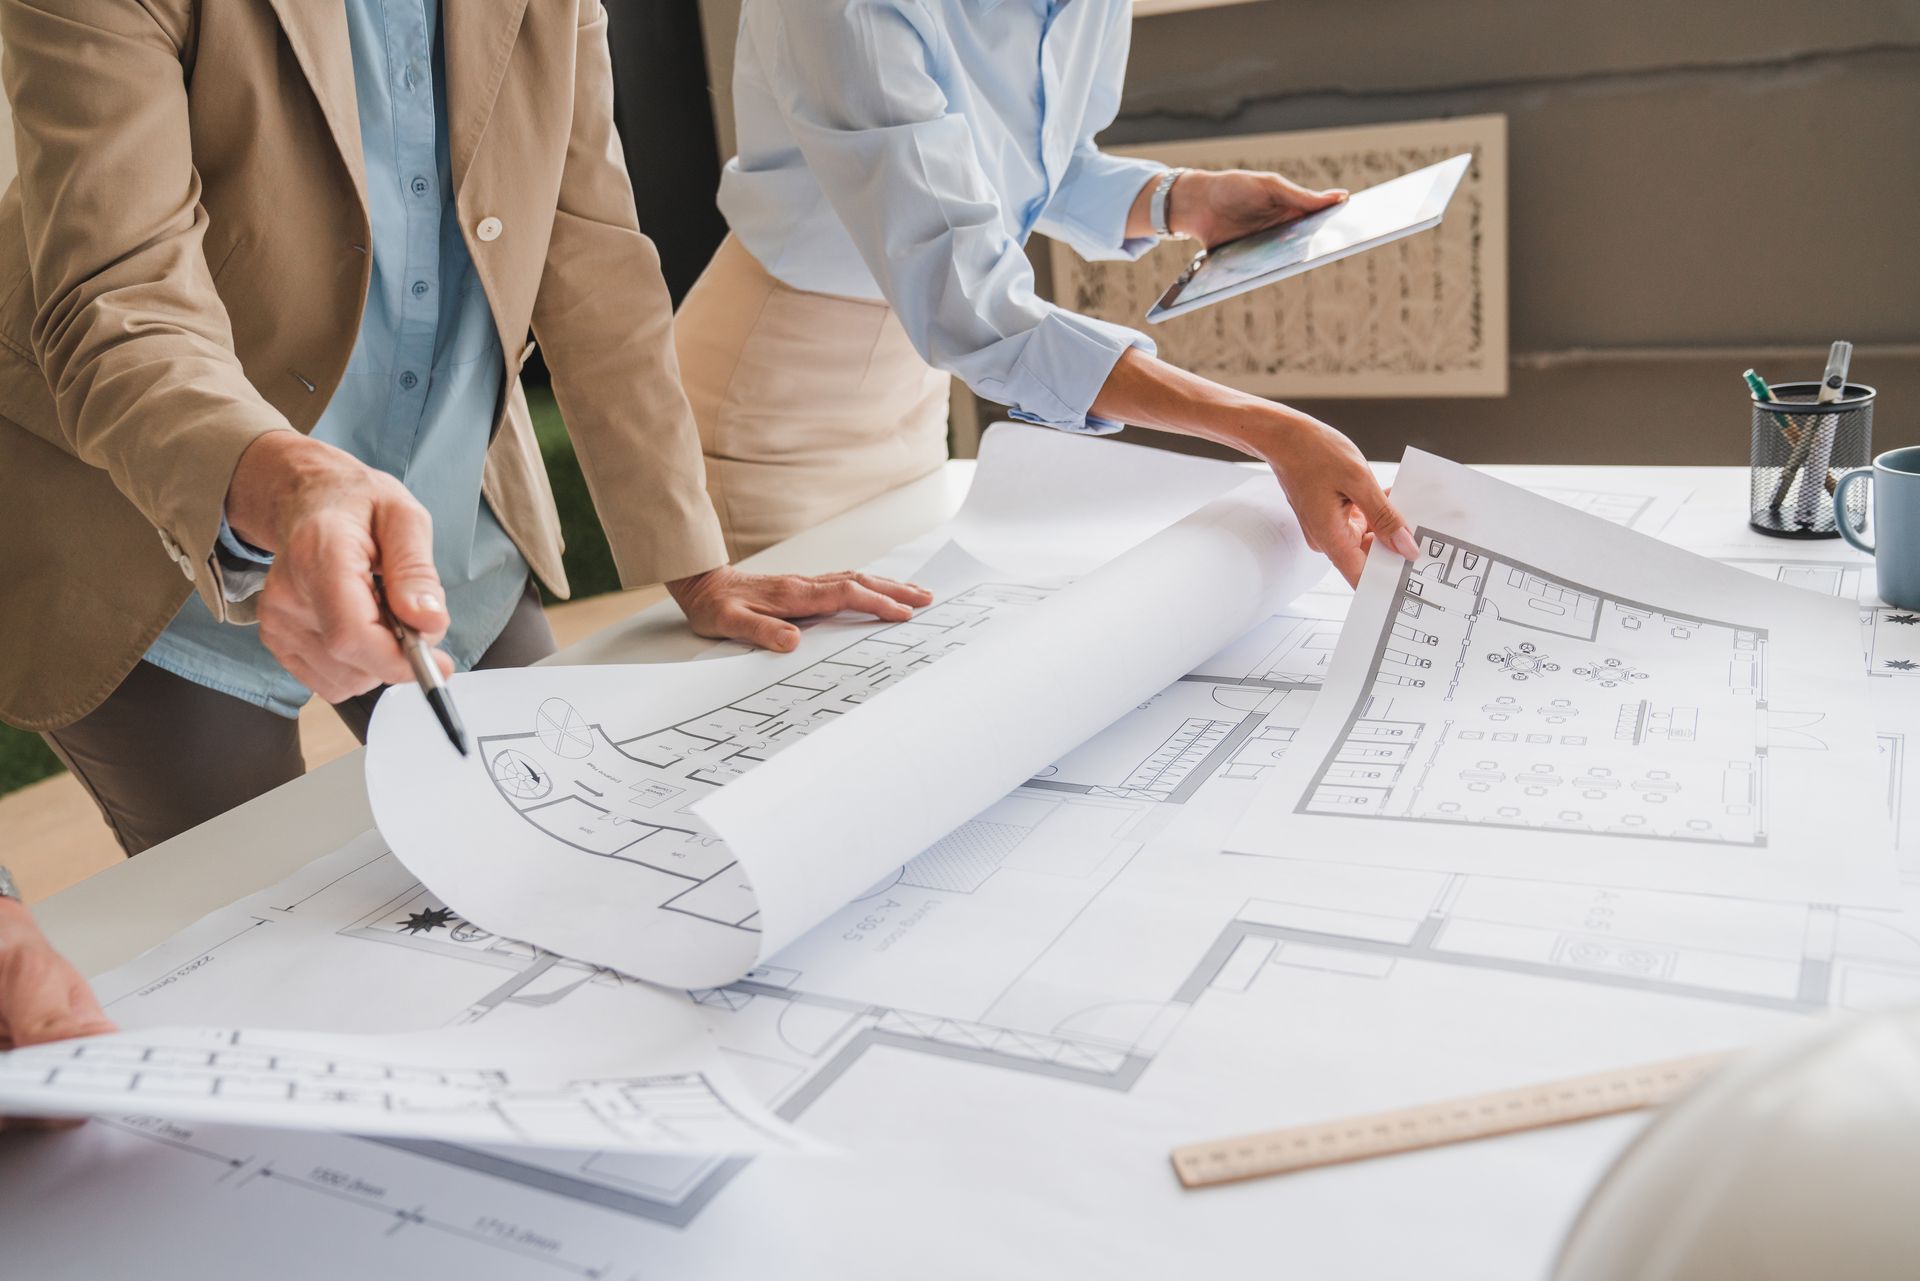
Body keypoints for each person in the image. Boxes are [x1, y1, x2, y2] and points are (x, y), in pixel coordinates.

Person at [0, 0, 929, 869]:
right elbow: (118, 301)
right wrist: (289, 488)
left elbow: (591, 249)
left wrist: (700, 565)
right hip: (148, 527)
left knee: (554, 843)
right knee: (266, 916)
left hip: (442, 498)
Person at [675, 0, 1418, 580]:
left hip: (913, 390)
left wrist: (1181, 200)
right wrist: (1270, 432)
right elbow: (970, 301)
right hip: (771, 404)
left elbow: (1024, 162)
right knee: (793, 712)